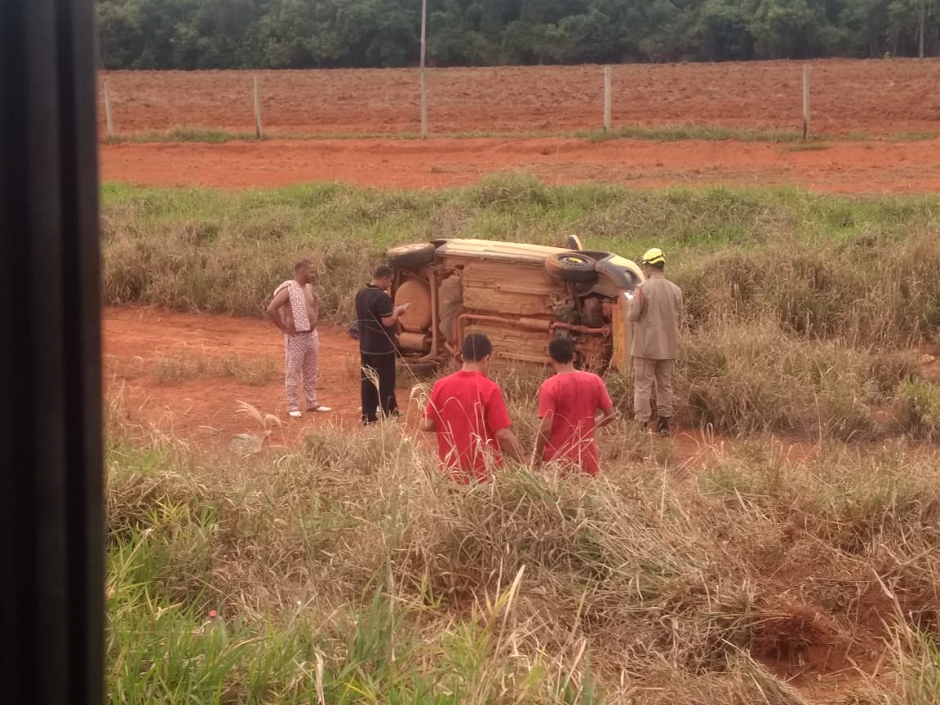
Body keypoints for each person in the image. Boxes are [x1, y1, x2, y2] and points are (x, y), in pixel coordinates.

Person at [420, 333, 524, 483]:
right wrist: (522, 459)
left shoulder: (441, 385)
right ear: (486, 358)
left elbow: (425, 424)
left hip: (450, 473)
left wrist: (454, 425)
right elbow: (503, 434)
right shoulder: (490, 388)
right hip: (484, 475)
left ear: (462, 356)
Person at [534, 337, 616, 475]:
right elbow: (611, 415)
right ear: (574, 356)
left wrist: (536, 454)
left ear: (552, 359)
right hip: (587, 458)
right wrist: (592, 423)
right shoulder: (594, 380)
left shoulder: (549, 386)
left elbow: (546, 426)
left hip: (557, 461)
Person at [628, 247, 684, 436]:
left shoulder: (642, 289)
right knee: (664, 384)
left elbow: (633, 316)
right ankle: (664, 425)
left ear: (648, 267)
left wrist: (630, 305)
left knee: (643, 385)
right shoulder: (676, 290)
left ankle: (642, 424)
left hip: (645, 347)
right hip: (669, 347)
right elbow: (680, 318)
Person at [266, 259, 331, 418]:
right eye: (311, 272)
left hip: (311, 334)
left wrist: (315, 317)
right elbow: (271, 309)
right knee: (293, 371)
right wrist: (284, 328)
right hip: (296, 337)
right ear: (301, 272)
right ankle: (292, 405)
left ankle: (312, 402)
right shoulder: (288, 289)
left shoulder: (308, 288)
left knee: (311, 370)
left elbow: (315, 302)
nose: (313, 275)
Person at [356, 265, 407, 424]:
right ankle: (389, 413)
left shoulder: (361, 293)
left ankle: (368, 416)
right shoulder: (381, 297)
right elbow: (387, 321)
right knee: (386, 382)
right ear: (383, 278)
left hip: (366, 346)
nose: (390, 284)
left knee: (368, 382)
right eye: (390, 281)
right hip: (382, 348)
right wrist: (398, 312)